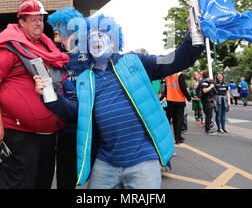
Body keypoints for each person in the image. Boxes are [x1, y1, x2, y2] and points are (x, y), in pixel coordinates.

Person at [34, 14, 204, 189]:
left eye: (101, 34)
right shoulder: (86, 79)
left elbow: (174, 61)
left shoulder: (136, 62)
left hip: (143, 161)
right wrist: (49, 95)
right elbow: (74, 112)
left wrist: (192, 37)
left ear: (114, 41)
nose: (95, 39)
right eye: (90, 36)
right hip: (105, 162)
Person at [0, 0, 69, 189]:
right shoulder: (10, 45)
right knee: (19, 184)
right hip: (19, 134)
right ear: (21, 21)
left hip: (46, 136)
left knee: (41, 183)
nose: (39, 23)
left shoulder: (45, 47)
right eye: (33, 19)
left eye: (41, 18)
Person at [47, 7, 91, 189]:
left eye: (60, 25)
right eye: (54, 25)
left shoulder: (90, 54)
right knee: (65, 179)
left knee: (99, 180)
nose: (55, 29)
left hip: (90, 128)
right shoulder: (53, 56)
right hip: (65, 130)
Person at [162, 72, 192, 144]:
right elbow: (183, 88)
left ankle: (166, 138)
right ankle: (178, 138)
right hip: (179, 101)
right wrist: (189, 98)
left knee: (170, 120)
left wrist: (164, 97)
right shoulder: (179, 74)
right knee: (178, 120)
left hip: (170, 101)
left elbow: (166, 88)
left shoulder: (168, 74)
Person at [201, 70, 217, 135]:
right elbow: (204, 91)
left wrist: (214, 101)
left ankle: (208, 129)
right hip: (207, 101)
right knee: (209, 116)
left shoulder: (207, 82)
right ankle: (207, 130)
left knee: (209, 116)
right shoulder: (205, 82)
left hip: (209, 101)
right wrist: (211, 86)